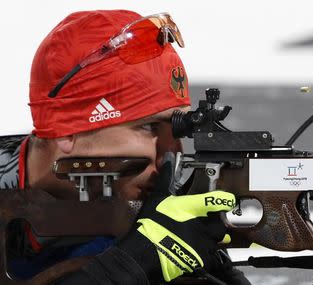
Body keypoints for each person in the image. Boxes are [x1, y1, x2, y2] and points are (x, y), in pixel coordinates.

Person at [0, 9, 250, 284]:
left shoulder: (133, 211)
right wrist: (133, 262)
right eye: (148, 127)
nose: (173, 152)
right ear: (67, 132)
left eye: (180, 128)